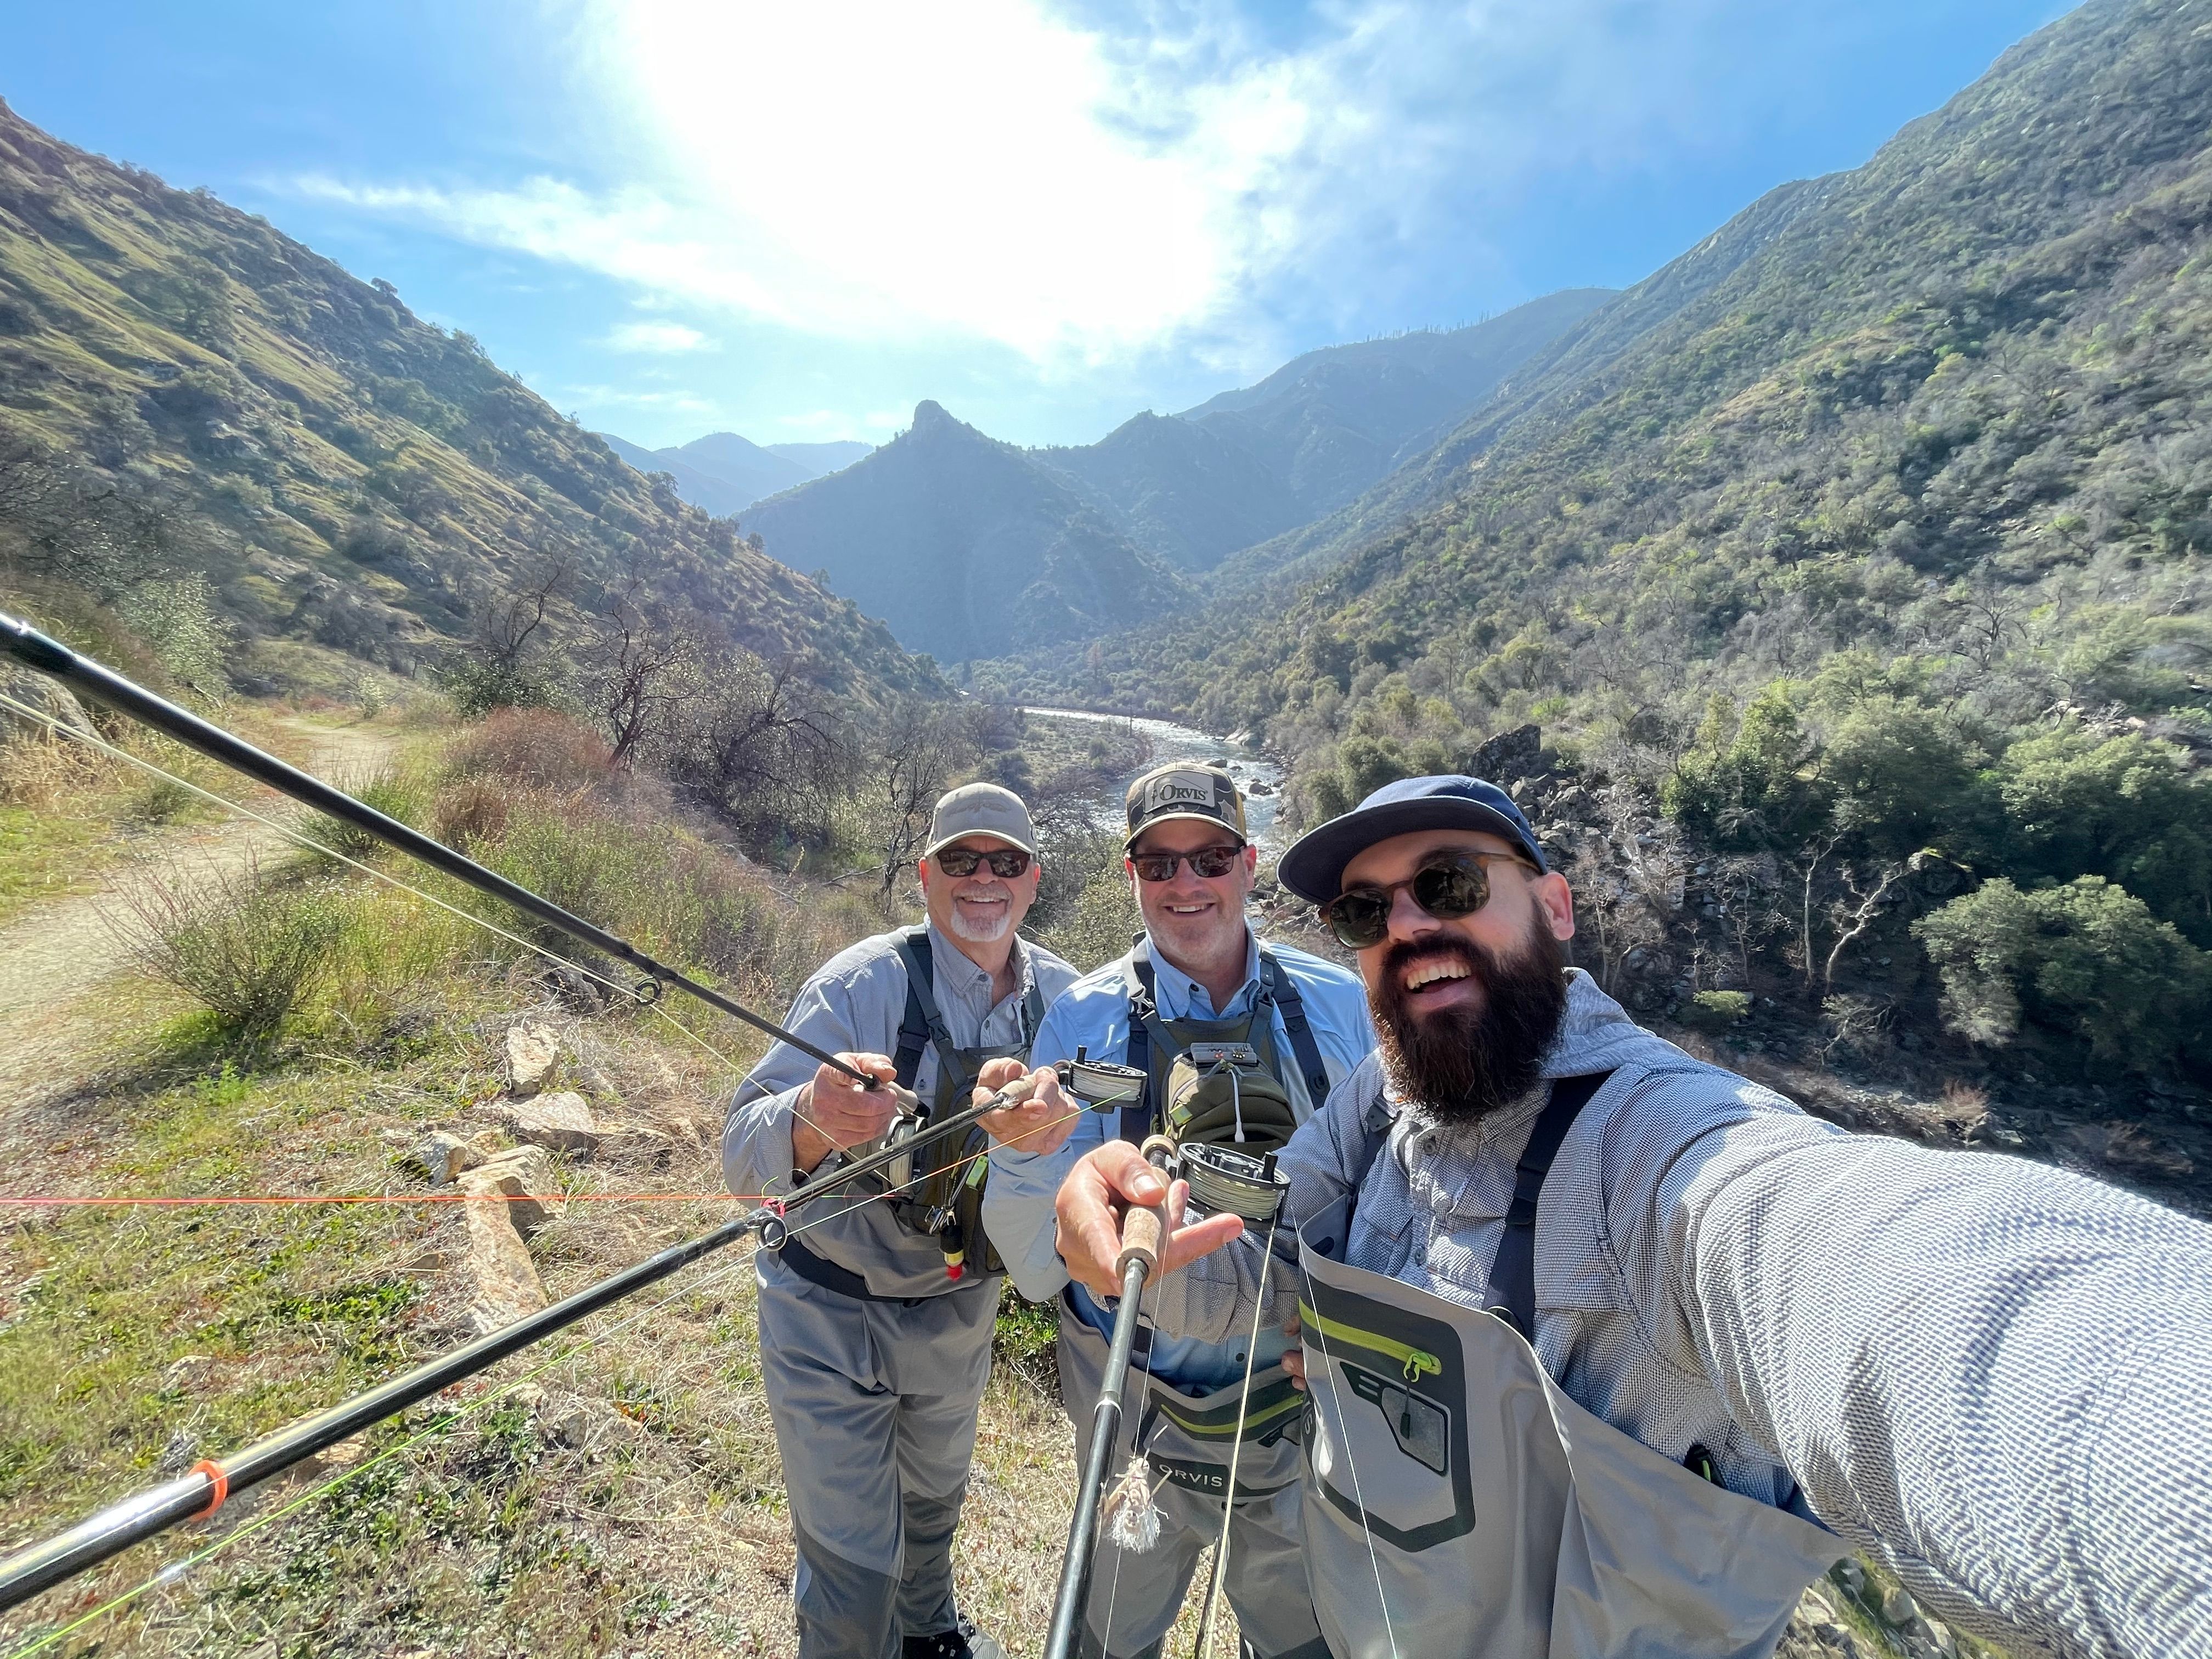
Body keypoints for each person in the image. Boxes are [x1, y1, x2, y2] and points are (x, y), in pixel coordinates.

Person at [1050, 775, 2212, 1659]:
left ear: (1554, 904)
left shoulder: (1664, 1146)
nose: (1409, 928)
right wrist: (1123, 1230)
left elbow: (1921, 1289)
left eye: (1451, 886)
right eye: (1366, 912)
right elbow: (1243, 1268)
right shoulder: (1381, 1104)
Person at [985, 763, 1374, 1659]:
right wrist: (1018, 1155)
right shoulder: (1076, 1019)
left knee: (1301, 1635)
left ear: (1249, 863)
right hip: (1132, 1415)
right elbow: (1039, 1268)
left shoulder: (1345, 1006)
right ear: (1131, 878)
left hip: (1301, 1404)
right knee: (1111, 1632)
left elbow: (1385, 1200)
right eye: (1158, 865)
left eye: (1210, 856)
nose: (1185, 883)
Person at [724, 782, 1083, 1659]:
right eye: (961, 860)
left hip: (961, 1313)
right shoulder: (857, 984)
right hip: (827, 1314)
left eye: (1005, 862)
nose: (983, 878)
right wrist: (809, 1116)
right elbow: (740, 1157)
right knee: (853, 1568)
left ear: (1034, 880)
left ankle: (932, 1639)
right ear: (925, 876)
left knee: (930, 1520)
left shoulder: (1072, 1003)